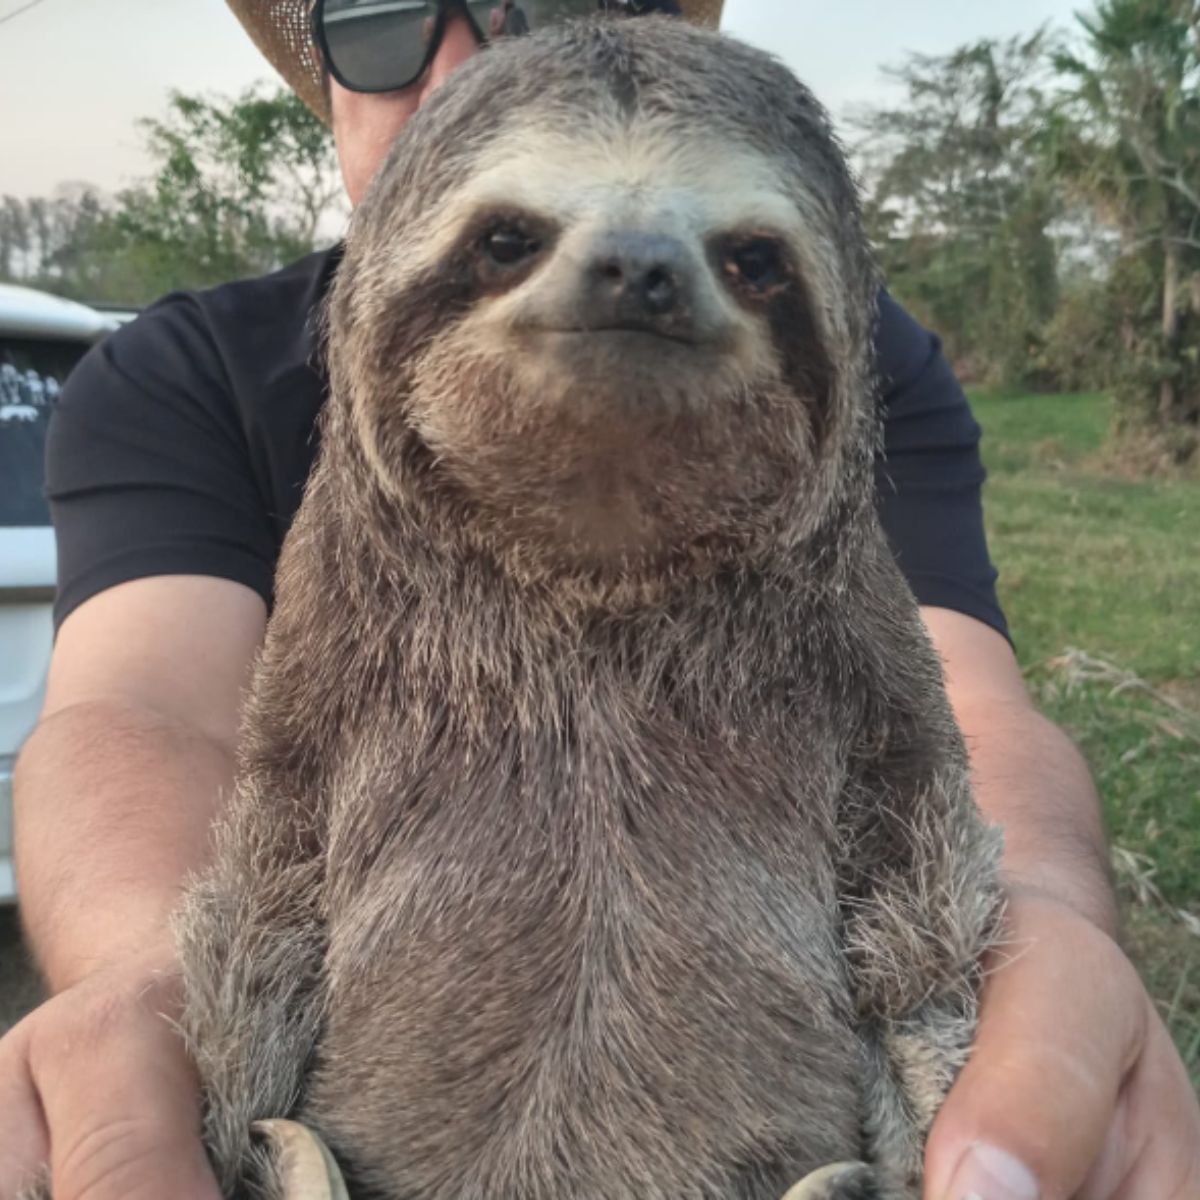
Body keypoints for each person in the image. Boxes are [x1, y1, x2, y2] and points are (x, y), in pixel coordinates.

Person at [2, 2, 1197, 1199]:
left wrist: (1033, 946)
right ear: (326, 81)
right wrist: (153, 994)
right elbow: (148, 712)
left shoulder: (872, 369)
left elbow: (956, 724)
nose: (636, 268)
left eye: (745, 260)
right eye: (512, 240)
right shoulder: (181, 370)